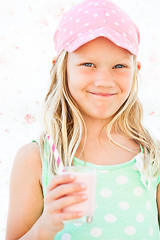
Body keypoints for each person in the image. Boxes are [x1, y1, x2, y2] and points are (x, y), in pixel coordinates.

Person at [6, 0, 160, 239]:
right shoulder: (36, 159)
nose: (104, 81)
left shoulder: (152, 155)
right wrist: (46, 225)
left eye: (119, 65)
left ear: (136, 69)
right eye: (88, 64)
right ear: (61, 68)